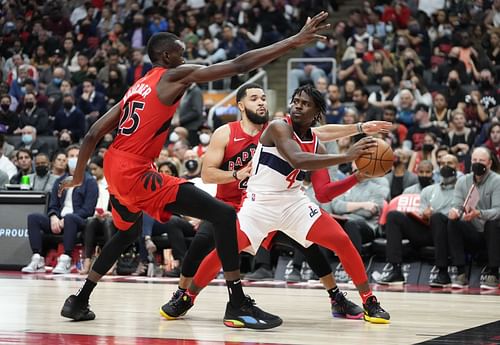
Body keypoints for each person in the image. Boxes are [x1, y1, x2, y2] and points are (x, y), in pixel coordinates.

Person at [58, 12, 332, 329]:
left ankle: (79, 299)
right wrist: (294, 41)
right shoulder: (172, 75)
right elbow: (240, 65)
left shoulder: (137, 87)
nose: (186, 58)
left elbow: (92, 133)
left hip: (114, 166)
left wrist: (79, 176)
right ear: (166, 56)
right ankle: (237, 303)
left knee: (127, 233)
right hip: (135, 172)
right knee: (223, 214)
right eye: (180, 53)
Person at [161, 83, 392, 321]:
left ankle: (369, 301)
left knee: (341, 241)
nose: (298, 107)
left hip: (294, 203)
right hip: (259, 204)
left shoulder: (317, 144)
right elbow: (297, 159)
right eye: (296, 101)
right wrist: (347, 155)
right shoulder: (277, 126)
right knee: (224, 251)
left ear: (316, 114)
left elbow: (323, 194)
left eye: (306, 104)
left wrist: (357, 176)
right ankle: (187, 297)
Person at [22, 145, 98, 274]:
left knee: (70, 218)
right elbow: (53, 205)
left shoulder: (90, 182)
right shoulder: (60, 181)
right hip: (60, 219)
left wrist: (65, 219)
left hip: (79, 220)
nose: (74, 159)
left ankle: (66, 259)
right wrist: (53, 217)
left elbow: (88, 209)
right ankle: (37, 258)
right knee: (33, 218)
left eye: (77, 156)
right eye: (71, 156)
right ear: (67, 159)